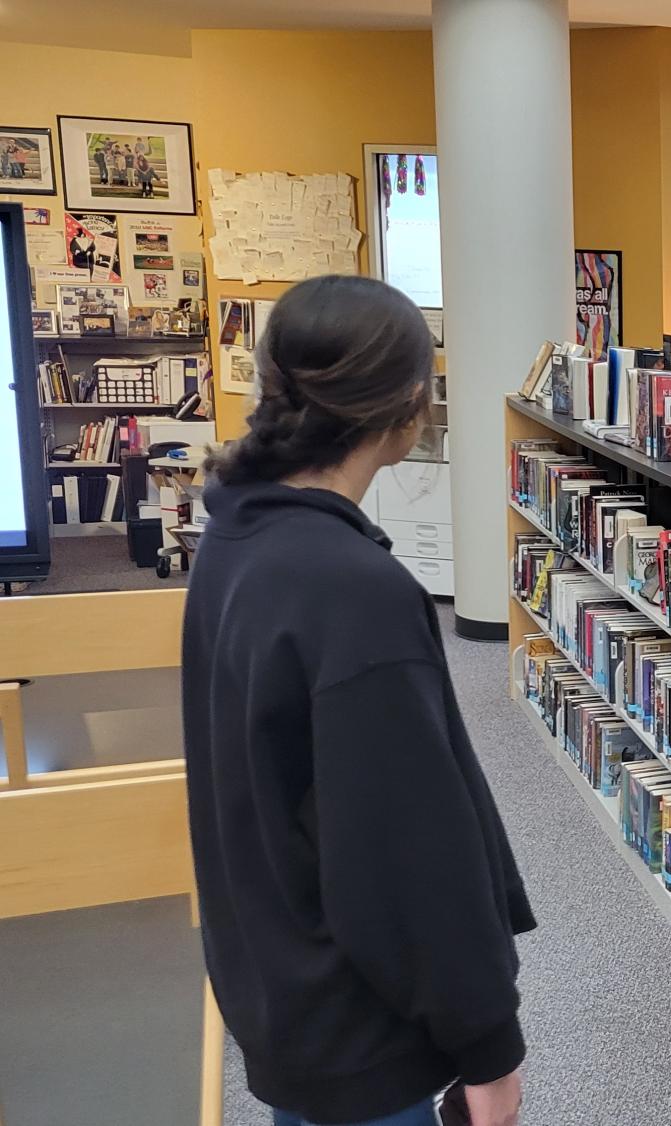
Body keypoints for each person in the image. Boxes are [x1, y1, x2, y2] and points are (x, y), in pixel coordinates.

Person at [182, 276, 534, 1126]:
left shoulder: (233, 537)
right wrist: (490, 1049)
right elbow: (405, 849)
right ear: (413, 404)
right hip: (360, 1034)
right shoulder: (353, 592)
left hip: (279, 985)